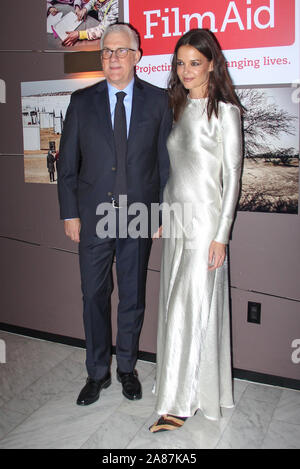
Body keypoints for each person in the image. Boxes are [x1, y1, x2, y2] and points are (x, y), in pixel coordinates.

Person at [57, 23, 172, 406]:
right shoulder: (81, 101)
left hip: (139, 214)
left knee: (132, 296)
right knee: (93, 294)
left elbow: (164, 164)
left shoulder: (158, 101)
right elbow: (68, 163)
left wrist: (161, 212)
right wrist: (70, 214)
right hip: (93, 216)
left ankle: (126, 368)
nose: (112, 58)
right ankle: (97, 372)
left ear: (137, 56)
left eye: (121, 51)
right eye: (106, 51)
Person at [149, 28, 243, 433]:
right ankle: (179, 386)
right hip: (177, 222)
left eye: (194, 63)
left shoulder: (226, 113)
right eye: (180, 63)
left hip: (206, 225)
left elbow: (233, 176)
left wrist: (222, 235)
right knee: (174, 306)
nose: (185, 71)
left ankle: (181, 403)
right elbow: (175, 171)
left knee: (191, 308)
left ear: (211, 65)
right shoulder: (177, 107)